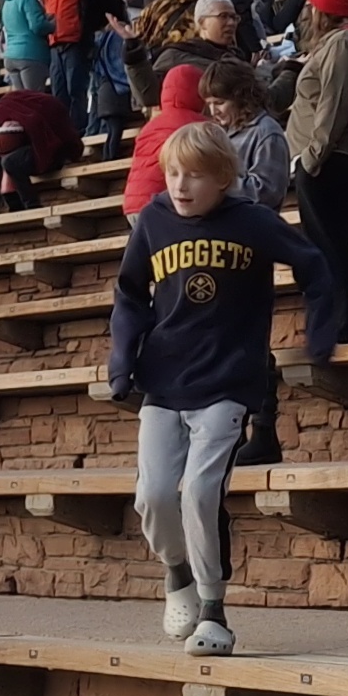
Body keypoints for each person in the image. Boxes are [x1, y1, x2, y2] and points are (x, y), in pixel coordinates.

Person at [114, 125, 301, 655]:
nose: (180, 184)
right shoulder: (152, 220)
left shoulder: (252, 221)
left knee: (199, 492)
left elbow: (310, 261)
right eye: (173, 173)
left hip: (227, 382)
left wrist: (326, 327)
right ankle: (178, 576)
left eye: (194, 174)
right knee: (151, 495)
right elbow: (129, 292)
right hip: (163, 380)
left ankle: (214, 611)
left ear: (222, 177)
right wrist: (121, 363)